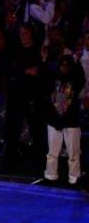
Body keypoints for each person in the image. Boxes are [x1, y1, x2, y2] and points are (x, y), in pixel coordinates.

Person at [43, 55, 85, 185]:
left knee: (73, 153)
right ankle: (51, 176)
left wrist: (77, 62)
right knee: (52, 152)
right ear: (58, 65)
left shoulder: (75, 80)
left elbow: (82, 78)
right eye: (62, 65)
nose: (65, 68)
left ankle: (74, 178)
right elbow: (44, 89)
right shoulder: (51, 78)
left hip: (71, 121)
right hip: (54, 120)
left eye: (68, 65)